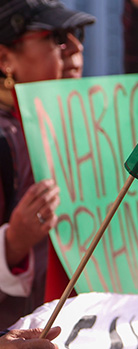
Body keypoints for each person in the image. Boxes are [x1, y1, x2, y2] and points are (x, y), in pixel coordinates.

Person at [0, 0, 95, 328]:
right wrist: (12, 244)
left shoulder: (94, 125)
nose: (76, 47)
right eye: (56, 36)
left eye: (76, 33)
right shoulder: (5, 139)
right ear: (4, 58)